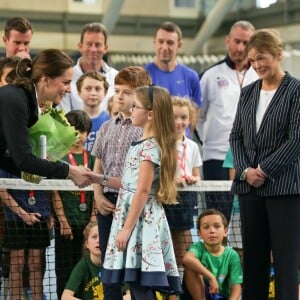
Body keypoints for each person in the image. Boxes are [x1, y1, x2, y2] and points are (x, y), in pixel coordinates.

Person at [90, 85, 182, 299]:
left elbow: (141, 191)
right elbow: (129, 184)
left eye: (135, 106)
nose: (131, 110)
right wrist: (97, 178)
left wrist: (126, 229)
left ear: (150, 114)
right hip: (134, 216)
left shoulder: (150, 147)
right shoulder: (140, 144)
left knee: (139, 284)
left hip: (141, 221)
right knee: (136, 283)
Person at [229, 28, 300, 300]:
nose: (257, 64)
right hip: (250, 190)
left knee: (285, 265)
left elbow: (296, 139)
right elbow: (236, 135)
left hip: (285, 191)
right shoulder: (247, 93)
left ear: (278, 55)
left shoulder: (296, 90)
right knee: (254, 264)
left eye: (263, 58)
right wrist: (246, 171)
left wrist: (265, 170)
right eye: (252, 59)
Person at [91, 66, 151, 299]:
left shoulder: (143, 131)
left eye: (127, 92)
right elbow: (98, 165)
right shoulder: (106, 127)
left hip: (134, 205)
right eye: (117, 91)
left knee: (135, 266)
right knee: (109, 265)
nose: (120, 96)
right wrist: (98, 195)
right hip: (107, 203)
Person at [0, 49, 91, 188]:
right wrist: (69, 171)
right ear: (46, 80)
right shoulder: (16, 101)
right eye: (65, 82)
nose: (69, 89)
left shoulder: (23, 99)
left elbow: (4, 158)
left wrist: (44, 169)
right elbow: (23, 160)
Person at [198, 20, 257, 222]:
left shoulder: (259, 74)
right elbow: (197, 116)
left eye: (246, 43)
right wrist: (209, 141)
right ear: (228, 41)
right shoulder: (210, 75)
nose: (240, 48)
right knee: (217, 216)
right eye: (236, 41)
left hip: (252, 157)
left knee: (249, 216)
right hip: (216, 156)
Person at [52, 109, 96, 299]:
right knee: (64, 269)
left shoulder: (94, 160)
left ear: (88, 133)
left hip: (87, 225)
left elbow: (97, 191)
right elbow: (54, 192)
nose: (78, 136)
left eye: (82, 131)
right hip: (66, 226)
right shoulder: (58, 158)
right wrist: (62, 220)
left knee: (86, 268)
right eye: (74, 131)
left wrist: (93, 219)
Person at [163, 97, 202, 291]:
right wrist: (170, 180)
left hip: (186, 200)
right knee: (164, 248)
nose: (179, 122)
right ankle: (166, 290)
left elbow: (196, 175)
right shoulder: (159, 143)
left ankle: (180, 291)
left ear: (190, 118)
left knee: (185, 251)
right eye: (174, 117)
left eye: (184, 117)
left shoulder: (193, 146)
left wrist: (193, 180)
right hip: (164, 199)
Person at [0, 174, 52, 300]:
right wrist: (22, 214)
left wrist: (49, 212)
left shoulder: (42, 158)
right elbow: (1, 189)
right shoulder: (6, 159)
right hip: (14, 218)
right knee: (16, 264)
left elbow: (50, 186)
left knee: (36, 264)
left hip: (40, 215)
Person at [182, 209, 242, 300]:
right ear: (199, 234)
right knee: (190, 267)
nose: (212, 231)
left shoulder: (232, 255)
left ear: (225, 231)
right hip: (199, 294)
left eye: (217, 226)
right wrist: (211, 277)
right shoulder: (198, 248)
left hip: (221, 296)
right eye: (206, 227)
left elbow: (236, 285)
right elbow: (187, 259)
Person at [58, 22, 118, 113]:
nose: (93, 50)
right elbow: (63, 117)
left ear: (105, 48)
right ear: (80, 46)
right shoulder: (67, 79)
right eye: (89, 44)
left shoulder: (116, 78)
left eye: (98, 45)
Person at [145, 21, 202, 108]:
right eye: (160, 42)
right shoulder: (142, 76)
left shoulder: (191, 77)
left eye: (170, 43)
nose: (164, 48)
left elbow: (196, 115)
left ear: (179, 45)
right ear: (154, 42)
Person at [61, 221, 103, 300]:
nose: (98, 241)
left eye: (102, 236)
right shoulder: (82, 266)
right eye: (94, 237)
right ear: (87, 244)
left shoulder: (115, 264)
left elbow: (130, 295)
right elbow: (65, 297)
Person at [76, 71, 110, 152]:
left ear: (105, 92)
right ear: (79, 92)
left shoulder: (111, 120)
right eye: (88, 89)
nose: (93, 93)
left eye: (97, 89)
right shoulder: (71, 120)